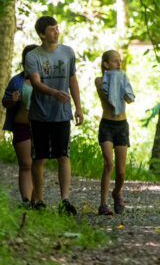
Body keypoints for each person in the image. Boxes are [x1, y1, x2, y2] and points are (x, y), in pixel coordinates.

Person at [25, 16, 83, 215]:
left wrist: (79, 107)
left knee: (63, 155)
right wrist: (54, 93)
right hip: (40, 114)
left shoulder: (68, 52)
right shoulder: (33, 56)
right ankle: (38, 200)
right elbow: (35, 82)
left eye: (57, 28)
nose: (56, 32)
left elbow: (73, 80)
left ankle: (65, 200)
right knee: (39, 157)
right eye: (51, 29)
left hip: (62, 114)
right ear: (42, 34)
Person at [95, 50, 135, 215]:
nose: (119, 64)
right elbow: (108, 98)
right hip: (107, 125)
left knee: (121, 170)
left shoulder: (123, 79)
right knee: (108, 164)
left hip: (121, 126)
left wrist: (124, 88)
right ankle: (103, 204)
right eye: (114, 61)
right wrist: (116, 82)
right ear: (106, 64)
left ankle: (117, 192)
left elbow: (128, 99)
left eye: (120, 61)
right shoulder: (100, 80)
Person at [2, 44, 39, 206]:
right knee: (25, 164)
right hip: (22, 126)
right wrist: (12, 99)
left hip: (41, 127)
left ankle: (37, 200)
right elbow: (5, 102)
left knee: (38, 164)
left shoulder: (48, 79)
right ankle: (26, 200)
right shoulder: (17, 81)